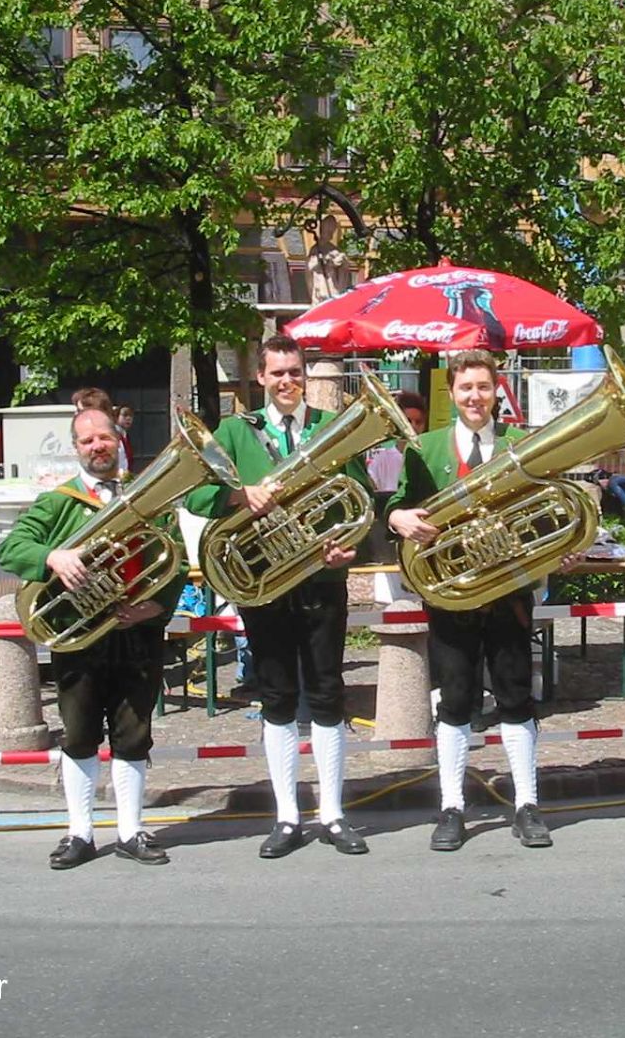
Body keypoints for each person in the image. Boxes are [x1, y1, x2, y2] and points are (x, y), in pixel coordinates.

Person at [187, 334, 371, 859]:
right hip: (265, 583)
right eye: (278, 373)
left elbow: (357, 496)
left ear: (303, 376)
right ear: (261, 378)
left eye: (295, 372)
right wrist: (239, 494)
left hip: (321, 581)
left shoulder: (329, 428)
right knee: (277, 698)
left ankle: (334, 814)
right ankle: (287, 816)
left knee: (328, 695)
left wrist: (346, 547)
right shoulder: (234, 432)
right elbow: (196, 492)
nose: (287, 381)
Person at [0, 408, 182, 869]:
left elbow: (174, 561)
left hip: (136, 634)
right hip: (78, 637)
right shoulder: (59, 502)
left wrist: (156, 607)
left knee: (134, 734)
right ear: (76, 449)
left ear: (119, 439)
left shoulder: (148, 497)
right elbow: (12, 548)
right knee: (79, 733)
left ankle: (130, 830)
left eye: (104, 437)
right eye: (87, 441)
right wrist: (53, 556)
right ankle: (79, 832)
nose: (97, 446)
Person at [386, 349, 551, 851]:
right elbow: (396, 503)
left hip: (508, 595)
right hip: (451, 596)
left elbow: (547, 506)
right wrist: (400, 520)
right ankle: (452, 808)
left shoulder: (521, 444)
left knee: (516, 699)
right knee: (455, 703)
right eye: (465, 388)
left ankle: (526, 804)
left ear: (496, 390)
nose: (475, 396)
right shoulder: (426, 448)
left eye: (483, 386)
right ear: (452, 394)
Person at [366, 391, 427, 493]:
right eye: (408, 421)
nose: (413, 426)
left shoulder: (427, 457)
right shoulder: (381, 459)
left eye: (419, 422)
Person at [114, 404, 135, 475]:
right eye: (125, 415)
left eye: (131, 416)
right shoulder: (113, 435)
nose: (128, 418)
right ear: (116, 417)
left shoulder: (125, 435)